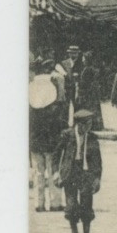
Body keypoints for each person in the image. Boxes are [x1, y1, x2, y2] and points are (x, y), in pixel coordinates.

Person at [55, 109, 104, 233]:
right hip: (70, 173)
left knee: (86, 207)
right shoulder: (67, 135)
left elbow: (98, 161)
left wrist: (97, 179)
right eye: (87, 124)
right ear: (79, 125)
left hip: (86, 174)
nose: (90, 126)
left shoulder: (93, 138)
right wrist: (56, 172)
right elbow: (56, 154)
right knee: (71, 206)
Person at [30, 59, 67, 213]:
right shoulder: (55, 107)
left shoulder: (30, 105)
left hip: (35, 143)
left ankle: (39, 204)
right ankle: (55, 202)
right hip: (51, 144)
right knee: (52, 171)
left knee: (38, 172)